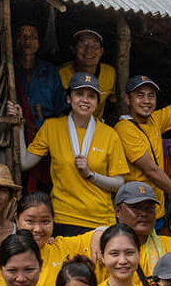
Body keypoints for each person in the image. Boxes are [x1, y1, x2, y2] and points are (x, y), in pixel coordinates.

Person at [24, 73, 130, 234]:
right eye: (79, 94)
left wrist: (91, 174)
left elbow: (119, 184)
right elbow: (24, 163)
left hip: (100, 220)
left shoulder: (109, 134)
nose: (85, 100)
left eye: (91, 96)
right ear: (68, 98)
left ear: (97, 102)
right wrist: (18, 127)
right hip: (63, 217)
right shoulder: (51, 127)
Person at [11, 23, 64, 150]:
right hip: (13, 133)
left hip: (45, 134)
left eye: (33, 37)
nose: (27, 41)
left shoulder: (51, 71)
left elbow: (61, 107)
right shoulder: (4, 71)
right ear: (14, 40)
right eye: (22, 36)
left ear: (39, 43)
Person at [57, 28, 117, 117]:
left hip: (97, 126)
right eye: (82, 45)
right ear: (73, 49)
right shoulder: (61, 73)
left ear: (101, 51)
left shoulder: (110, 73)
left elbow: (114, 103)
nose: (89, 50)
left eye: (95, 46)